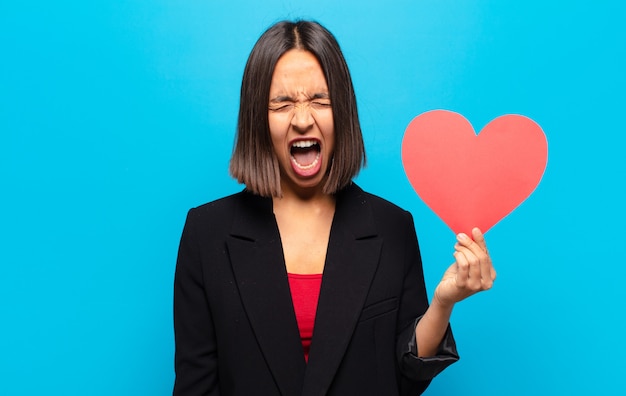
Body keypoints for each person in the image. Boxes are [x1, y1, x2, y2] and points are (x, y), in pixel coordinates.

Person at [173, 20, 496, 396]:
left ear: (341, 109)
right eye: (282, 104)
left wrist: (443, 303)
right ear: (258, 119)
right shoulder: (206, 233)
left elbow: (405, 376)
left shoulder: (392, 226)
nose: (303, 119)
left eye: (319, 100)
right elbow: (196, 386)